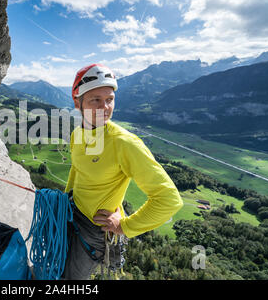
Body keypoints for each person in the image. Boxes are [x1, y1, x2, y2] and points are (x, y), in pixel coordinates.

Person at [62, 63, 183, 280]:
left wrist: (125, 226)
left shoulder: (124, 144)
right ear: (77, 103)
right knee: (59, 265)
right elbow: (77, 170)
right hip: (72, 213)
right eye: (95, 100)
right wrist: (64, 200)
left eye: (109, 99)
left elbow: (169, 199)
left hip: (95, 231)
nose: (104, 107)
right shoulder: (77, 134)